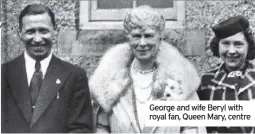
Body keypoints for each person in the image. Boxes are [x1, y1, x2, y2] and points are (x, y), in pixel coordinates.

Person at [89, 5, 206, 133]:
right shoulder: (110, 81)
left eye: (149, 35)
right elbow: (101, 126)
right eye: (137, 36)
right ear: (128, 37)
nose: (143, 43)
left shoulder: (180, 80)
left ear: (160, 36)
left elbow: (192, 127)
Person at [1, 4, 93, 133]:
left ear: (54, 31)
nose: (38, 39)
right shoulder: (4, 74)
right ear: (20, 33)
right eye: (30, 31)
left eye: (43, 31)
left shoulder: (74, 76)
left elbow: (82, 129)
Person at [197, 15, 255, 133]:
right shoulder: (206, 81)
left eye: (238, 44)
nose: (231, 51)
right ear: (217, 46)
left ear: (248, 46)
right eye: (226, 43)